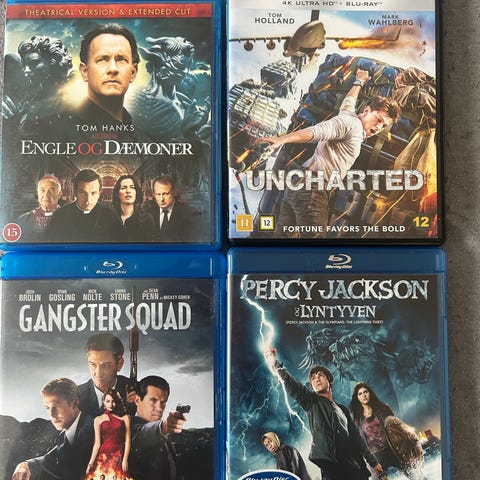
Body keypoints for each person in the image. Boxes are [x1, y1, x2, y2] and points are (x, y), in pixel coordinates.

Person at [261, 69, 401, 238]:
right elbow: (317, 131)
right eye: (378, 119)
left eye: (384, 126)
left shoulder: (349, 116)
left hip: (298, 186)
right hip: (312, 191)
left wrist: (359, 82)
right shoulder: (351, 125)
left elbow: (348, 102)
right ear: (366, 110)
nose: (379, 127)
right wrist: (282, 139)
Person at [264, 348, 383, 480]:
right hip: (332, 467)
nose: (317, 379)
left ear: (330, 380)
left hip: (353, 466)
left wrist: (373, 462)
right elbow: (292, 385)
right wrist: (275, 363)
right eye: (313, 378)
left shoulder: (342, 409)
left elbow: (357, 438)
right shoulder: (311, 401)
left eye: (320, 375)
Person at [11, 378, 94, 480]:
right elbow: (50, 458)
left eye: (56, 406)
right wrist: (25, 465)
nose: (51, 414)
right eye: (47, 408)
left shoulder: (96, 428)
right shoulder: (64, 435)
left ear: (74, 403)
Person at [351, 382, 426, 480]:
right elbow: (360, 441)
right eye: (360, 394)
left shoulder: (382, 408)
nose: (363, 395)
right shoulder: (357, 419)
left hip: (393, 448)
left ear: (370, 393)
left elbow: (396, 426)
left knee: (416, 474)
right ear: (357, 398)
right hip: (376, 456)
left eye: (365, 392)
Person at [130, 376, 187, 480]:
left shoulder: (164, 435)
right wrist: (164, 426)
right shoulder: (129, 427)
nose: (159, 408)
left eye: (163, 402)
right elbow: (143, 434)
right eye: (153, 400)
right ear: (137, 400)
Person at [47, 169, 123, 242]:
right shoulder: (60, 216)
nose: (88, 200)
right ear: (75, 192)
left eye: (93, 193)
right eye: (83, 193)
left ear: (99, 194)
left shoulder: (111, 215)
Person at [77, 333, 134, 418]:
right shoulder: (75, 397)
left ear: (119, 364)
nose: (98, 373)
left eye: (106, 365)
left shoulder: (136, 392)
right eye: (93, 365)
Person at [86, 389, 131, 479]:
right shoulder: (98, 419)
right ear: (103, 402)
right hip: (103, 456)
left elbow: (128, 440)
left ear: (117, 402)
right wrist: (90, 464)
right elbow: (97, 444)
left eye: (113, 401)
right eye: (108, 401)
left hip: (119, 455)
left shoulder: (125, 418)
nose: (111, 404)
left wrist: (125, 459)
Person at [148, 175, 201, 242]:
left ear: (174, 192)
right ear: (153, 194)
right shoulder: (149, 214)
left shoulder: (189, 213)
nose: (161, 199)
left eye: (165, 194)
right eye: (158, 194)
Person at [16, 175, 62, 241]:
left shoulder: (68, 219)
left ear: (59, 194)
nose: (46, 195)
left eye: (51, 190)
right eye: (42, 190)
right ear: (38, 193)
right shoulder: (24, 219)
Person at [112, 175, 154, 242]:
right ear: (117, 194)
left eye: (132, 187)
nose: (128, 191)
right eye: (123, 188)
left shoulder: (147, 219)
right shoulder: (110, 218)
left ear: (136, 192)